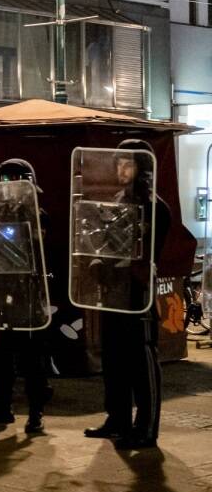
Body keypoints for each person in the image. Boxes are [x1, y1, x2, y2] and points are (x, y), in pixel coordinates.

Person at [84, 140, 171, 450]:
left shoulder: (153, 206)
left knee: (141, 361)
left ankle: (146, 426)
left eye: (128, 164)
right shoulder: (118, 201)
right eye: (119, 163)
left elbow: (147, 252)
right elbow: (105, 242)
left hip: (137, 293)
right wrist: (97, 261)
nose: (122, 170)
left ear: (142, 167)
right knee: (114, 359)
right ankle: (117, 419)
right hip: (113, 292)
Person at [0, 160, 52, 435]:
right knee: (0, 355)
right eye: (3, 183)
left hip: (26, 294)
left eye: (12, 182)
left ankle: (36, 412)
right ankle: (2, 406)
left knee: (31, 358)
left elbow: (30, 252)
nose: (7, 189)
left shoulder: (36, 215)